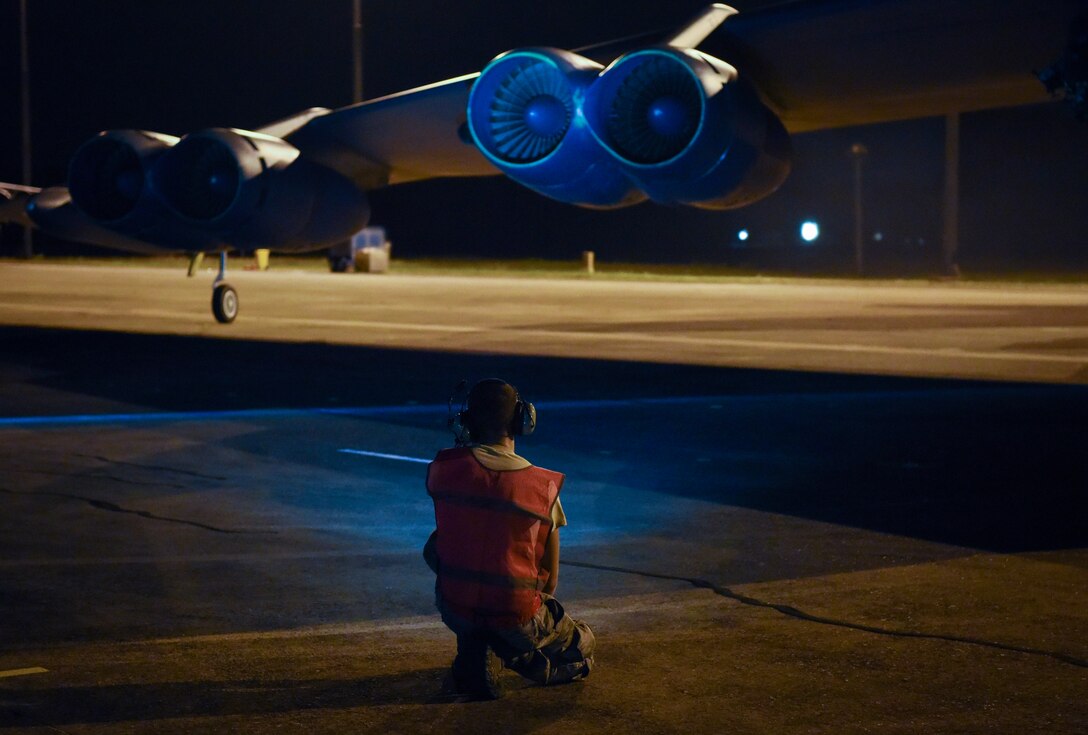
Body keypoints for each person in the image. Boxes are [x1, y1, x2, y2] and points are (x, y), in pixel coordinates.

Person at [424, 378, 595, 700]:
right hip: (516, 615)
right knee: (585, 650)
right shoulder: (540, 486)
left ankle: (477, 640)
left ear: (464, 422)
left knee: (438, 545)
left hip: (456, 608)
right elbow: (550, 580)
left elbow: (442, 545)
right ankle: (511, 649)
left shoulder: (443, 470)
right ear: (523, 421)